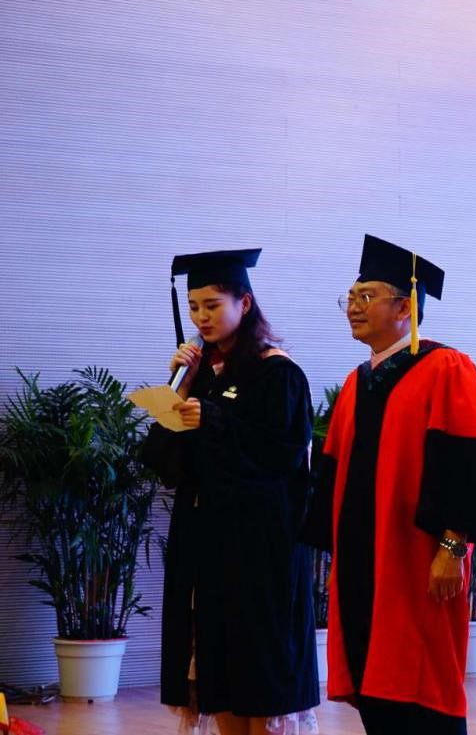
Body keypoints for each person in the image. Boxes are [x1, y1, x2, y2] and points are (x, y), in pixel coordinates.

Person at [301, 234, 476, 735]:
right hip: (363, 564)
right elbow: (334, 475)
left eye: (366, 296)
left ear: (405, 306)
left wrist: (452, 548)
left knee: (423, 689)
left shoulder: (446, 369)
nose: (353, 307)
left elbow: (467, 465)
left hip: (418, 561)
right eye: (350, 297)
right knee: (375, 691)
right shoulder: (355, 383)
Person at [141, 249, 318, 735]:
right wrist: (178, 391)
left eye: (213, 305)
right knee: (216, 670)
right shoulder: (199, 373)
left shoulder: (276, 373)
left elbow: (282, 456)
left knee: (261, 672)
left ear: (245, 302)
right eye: (194, 307)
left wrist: (215, 420)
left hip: (260, 547)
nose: (202, 317)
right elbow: (164, 464)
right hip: (206, 545)